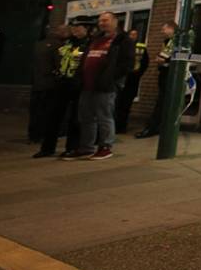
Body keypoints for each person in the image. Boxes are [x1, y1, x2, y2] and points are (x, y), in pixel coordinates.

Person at [65, 11, 134, 160]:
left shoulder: (123, 40)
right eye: (100, 21)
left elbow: (127, 64)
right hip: (88, 85)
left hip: (105, 86)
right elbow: (85, 58)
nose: (102, 23)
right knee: (86, 117)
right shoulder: (95, 39)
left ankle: (105, 147)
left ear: (115, 21)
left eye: (106, 20)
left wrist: (110, 79)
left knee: (104, 117)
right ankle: (86, 147)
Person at [35, 24, 87, 158]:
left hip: (78, 85)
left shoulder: (89, 44)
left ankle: (72, 148)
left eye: (79, 28)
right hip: (62, 83)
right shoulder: (66, 43)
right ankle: (47, 148)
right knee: (54, 116)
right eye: (74, 27)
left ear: (86, 29)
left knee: (75, 118)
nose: (75, 30)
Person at [136, 21, 177, 139]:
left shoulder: (174, 42)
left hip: (169, 76)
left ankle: (152, 128)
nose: (162, 31)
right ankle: (159, 127)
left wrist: (162, 60)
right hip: (165, 75)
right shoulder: (168, 42)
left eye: (164, 29)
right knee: (163, 102)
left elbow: (163, 59)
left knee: (162, 103)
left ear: (171, 29)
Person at [29, 25, 68, 144]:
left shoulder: (38, 45)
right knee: (48, 111)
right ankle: (44, 134)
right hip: (51, 84)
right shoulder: (59, 46)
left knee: (36, 110)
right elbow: (61, 65)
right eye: (65, 31)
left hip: (38, 83)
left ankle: (34, 134)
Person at [114, 29, 149, 134]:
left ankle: (122, 126)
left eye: (136, 34)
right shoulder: (122, 46)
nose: (134, 36)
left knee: (126, 104)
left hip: (133, 78)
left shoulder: (141, 47)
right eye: (132, 34)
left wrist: (138, 74)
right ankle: (115, 125)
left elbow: (145, 62)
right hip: (122, 77)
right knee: (117, 103)